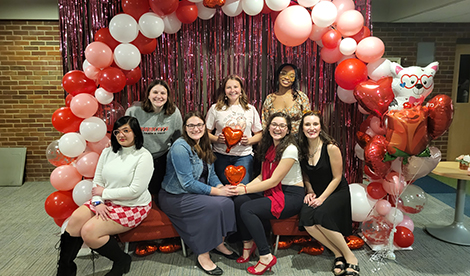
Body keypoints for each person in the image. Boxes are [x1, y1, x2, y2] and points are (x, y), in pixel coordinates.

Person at [56, 116, 154, 276]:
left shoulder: (143, 156)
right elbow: (98, 180)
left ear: (135, 133)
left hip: (132, 205)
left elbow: (135, 190)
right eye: (117, 131)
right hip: (105, 200)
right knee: (74, 221)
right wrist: (98, 202)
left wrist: (104, 193)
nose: (121, 135)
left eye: (126, 131)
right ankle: (65, 269)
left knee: (89, 232)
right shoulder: (108, 151)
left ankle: (121, 260)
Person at [158, 111, 238, 275]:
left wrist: (222, 188)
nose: (196, 129)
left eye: (199, 125)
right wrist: (217, 192)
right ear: (185, 128)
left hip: (197, 191)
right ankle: (203, 253)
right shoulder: (180, 147)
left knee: (228, 202)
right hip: (176, 195)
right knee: (214, 206)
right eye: (191, 125)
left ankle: (218, 242)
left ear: (204, 126)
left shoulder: (205, 143)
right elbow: (187, 183)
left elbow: (212, 174)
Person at [233, 112, 304, 275]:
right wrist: (244, 188)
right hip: (274, 190)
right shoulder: (270, 146)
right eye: (274, 124)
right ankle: (248, 243)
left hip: (291, 195)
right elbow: (262, 176)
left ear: (287, 130)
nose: (277, 128)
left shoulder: (290, 149)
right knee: (239, 201)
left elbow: (273, 180)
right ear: (268, 127)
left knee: (247, 209)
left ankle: (265, 255)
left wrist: (244, 188)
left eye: (282, 126)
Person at [297, 111, 359, 276]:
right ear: (302, 128)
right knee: (306, 218)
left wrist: (322, 198)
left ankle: (350, 256)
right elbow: (305, 175)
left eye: (315, 124)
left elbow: (337, 178)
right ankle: (337, 253)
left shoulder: (330, 147)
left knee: (321, 215)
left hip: (336, 190)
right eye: (307, 124)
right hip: (317, 192)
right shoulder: (301, 149)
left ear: (320, 127)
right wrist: (309, 190)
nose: (312, 128)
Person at [125, 79, 182, 200]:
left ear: (168, 96)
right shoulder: (134, 111)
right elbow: (124, 133)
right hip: (138, 156)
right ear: (148, 95)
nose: (159, 96)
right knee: (136, 192)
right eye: (155, 92)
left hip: (161, 158)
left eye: (163, 93)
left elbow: (179, 138)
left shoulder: (174, 112)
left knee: (155, 192)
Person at [206, 74, 263, 185]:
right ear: (224, 91)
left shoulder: (250, 109)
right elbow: (205, 133)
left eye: (235, 87)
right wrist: (217, 139)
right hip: (221, 156)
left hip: (244, 157)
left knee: (241, 191)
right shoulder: (215, 108)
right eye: (229, 87)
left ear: (241, 90)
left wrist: (249, 141)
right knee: (225, 190)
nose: (232, 90)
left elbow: (259, 134)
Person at [261, 63, 310, 134]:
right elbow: (265, 123)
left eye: (291, 76)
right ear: (278, 75)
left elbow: (307, 120)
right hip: (276, 140)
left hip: (298, 141)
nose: (287, 77)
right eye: (283, 73)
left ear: (294, 79)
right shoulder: (270, 98)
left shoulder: (301, 97)